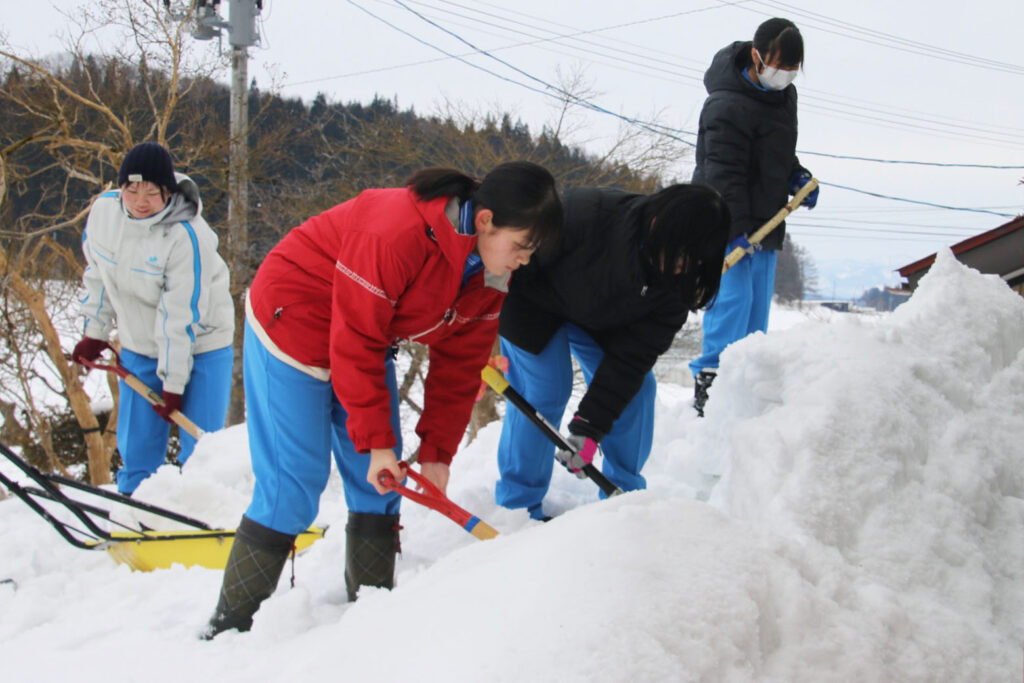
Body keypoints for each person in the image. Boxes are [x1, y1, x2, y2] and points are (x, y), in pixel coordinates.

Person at [203, 162, 563, 637]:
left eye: (531, 251)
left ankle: (369, 624)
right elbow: (355, 339)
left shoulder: (492, 274)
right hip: (293, 317)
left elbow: (458, 366)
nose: (523, 260)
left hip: (364, 338)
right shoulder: (397, 232)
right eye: (520, 245)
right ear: (485, 220)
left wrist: (437, 454)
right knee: (295, 484)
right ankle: (228, 631)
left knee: (381, 482)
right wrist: (376, 441)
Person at [495, 183, 730, 521]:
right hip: (533, 302)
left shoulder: (677, 287)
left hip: (602, 319)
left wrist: (589, 427)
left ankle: (621, 502)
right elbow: (511, 264)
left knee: (638, 393)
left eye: (692, 260)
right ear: (656, 224)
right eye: (678, 254)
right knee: (545, 390)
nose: (681, 266)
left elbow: (630, 360)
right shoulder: (581, 215)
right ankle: (517, 506)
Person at [72, 142, 234, 494]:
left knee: (200, 447)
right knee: (138, 445)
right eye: (131, 189)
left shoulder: (186, 236)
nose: (140, 200)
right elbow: (98, 274)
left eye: (152, 191)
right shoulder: (103, 214)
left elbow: (180, 316)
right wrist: (95, 332)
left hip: (202, 343)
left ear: (168, 191)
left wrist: (173, 385)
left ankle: (203, 517)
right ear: (120, 189)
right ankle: (134, 510)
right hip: (139, 343)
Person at [687, 17, 819, 416]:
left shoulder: (784, 97)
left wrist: (795, 174)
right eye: (779, 66)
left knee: (757, 306)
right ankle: (709, 381)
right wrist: (733, 231)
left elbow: (774, 150)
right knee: (732, 301)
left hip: (767, 219)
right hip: (722, 217)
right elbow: (722, 171)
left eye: (793, 70)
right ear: (757, 57)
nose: (785, 76)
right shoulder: (725, 103)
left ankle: (748, 387)